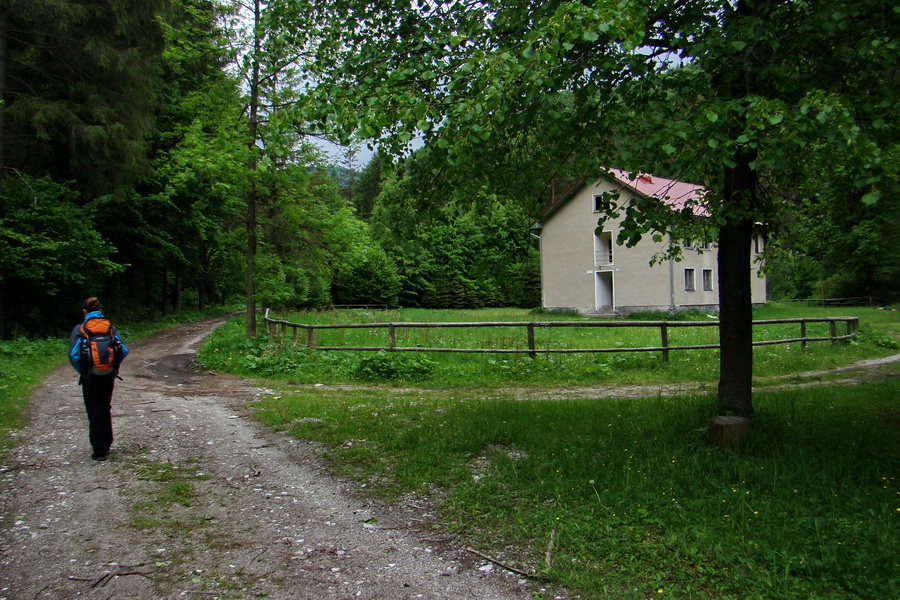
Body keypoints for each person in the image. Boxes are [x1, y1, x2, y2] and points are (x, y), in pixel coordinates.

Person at [68, 297, 128, 461]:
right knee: (105, 407)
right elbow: (123, 349)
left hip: (90, 376)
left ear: (85, 311)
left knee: (93, 410)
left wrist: (83, 370)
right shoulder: (109, 328)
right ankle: (108, 443)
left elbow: (73, 355)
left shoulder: (80, 329)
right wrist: (114, 366)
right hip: (108, 374)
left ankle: (99, 450)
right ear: (100, 310)